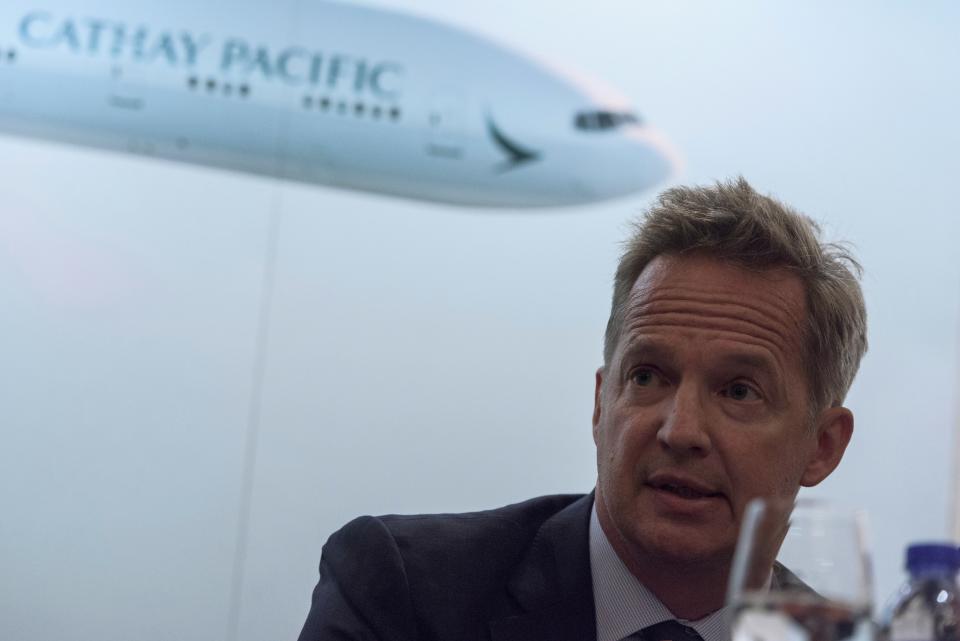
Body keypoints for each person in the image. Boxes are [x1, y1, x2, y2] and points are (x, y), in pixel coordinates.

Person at [297, 177, 868, 641]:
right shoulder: (405, 593)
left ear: (822, 446)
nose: (681, 430)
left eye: (738, 391)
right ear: (602, 403)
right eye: (647, 377)